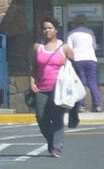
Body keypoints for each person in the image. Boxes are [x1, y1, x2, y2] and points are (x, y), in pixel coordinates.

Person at [30, 18, 74, 158]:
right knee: (41, 118)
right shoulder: (37, 47)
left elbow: (73, 68)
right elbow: (33, 67)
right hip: (41, 89)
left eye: (50, 28)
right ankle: (51, 141)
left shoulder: (64, 48)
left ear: (56, 30)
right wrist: (32, 82)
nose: (47, 30)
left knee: (57, 118)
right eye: (44, 28)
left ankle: (57, 147)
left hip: (59, 90)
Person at [66, 14, 101, 112]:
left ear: (75, 23)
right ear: (85, 22)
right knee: (93, 82)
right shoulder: (90, 32)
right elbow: (94, 46)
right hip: (91, 59)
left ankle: (81, 106)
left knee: (80, 83)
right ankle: (97, 105)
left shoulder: (71, 33)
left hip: (78, 59)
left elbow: (69, 49)